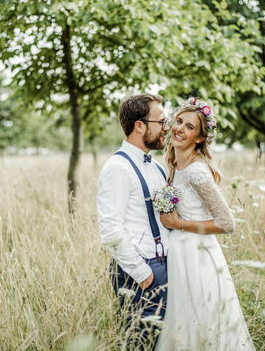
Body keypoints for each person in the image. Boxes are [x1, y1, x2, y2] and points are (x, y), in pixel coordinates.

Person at [156, 97, 255, 350]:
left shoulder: (197, 171)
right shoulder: (173, 163)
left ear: (200, 138)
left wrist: (178, 224)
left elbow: (227, 223)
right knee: (182, 323)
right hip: (179, 254)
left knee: (202, 321)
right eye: (179, 121)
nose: (180, 129)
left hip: (198, 256)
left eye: (190, 127)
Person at [97, 93, 170, 348]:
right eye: (161, 122)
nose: (166, 128)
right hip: (140, 274)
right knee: (140, 344)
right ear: (139, 125)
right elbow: (110, 231)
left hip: (166, 268)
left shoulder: (157, 166)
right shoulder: (118, 168)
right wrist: (144, 275)